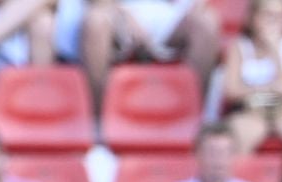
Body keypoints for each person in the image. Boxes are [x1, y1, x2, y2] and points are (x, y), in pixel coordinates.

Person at [73, 0, 221, 118]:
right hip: (117, 10)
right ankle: (98, 119)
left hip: (166, 12)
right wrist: (124, 15)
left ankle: (193, 118)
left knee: (206, 23)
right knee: (96, 21)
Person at [219, 0, 282, 154]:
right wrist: (267, 88)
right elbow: (231, 91)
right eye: (269, 15)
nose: (275, 22)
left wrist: (275, 51)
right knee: (242, 132)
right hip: (248, 112)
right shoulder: (240, 46)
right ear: (252, 18)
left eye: (281, 17)